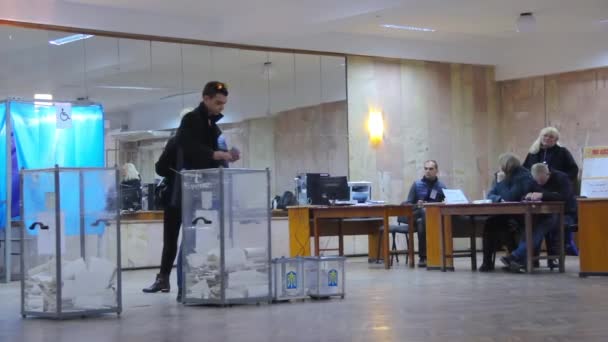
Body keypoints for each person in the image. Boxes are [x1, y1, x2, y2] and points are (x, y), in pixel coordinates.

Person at [142, 81, 239, 302]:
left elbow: (161, 168)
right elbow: (202, 153)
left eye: (223, 104)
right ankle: (181, 284)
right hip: (186, 194)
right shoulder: (194, 128)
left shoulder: (208, 127)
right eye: (217, 103)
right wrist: (218, 156)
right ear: (205, 99)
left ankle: (173, 281)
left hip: (186, 194)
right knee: (189, 240)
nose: (221, 108)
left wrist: (225, 155)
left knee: (176, 240)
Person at [523, 126, 579, 255]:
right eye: (545, 136)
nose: (547, 138)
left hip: (556, 192)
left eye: (551, 137)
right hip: (537, 192)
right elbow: (525, 171)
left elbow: (573, 170)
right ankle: (531, 256)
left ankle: (555, 252)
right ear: (540, 137)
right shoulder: (533, 153)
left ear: (556, 140)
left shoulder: (562, 152)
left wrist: (563, 182)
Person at [479, 153, 535, 272]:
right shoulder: (502, 175)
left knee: (507, 226)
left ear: (506, 165)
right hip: (505, 213)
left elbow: (510, 197)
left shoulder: (524, 176)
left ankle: (516, 260)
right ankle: (487, 262)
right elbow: (491, 194)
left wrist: (501, 182)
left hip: (522, 215)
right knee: (490, 223)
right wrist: (498, 198)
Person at [524, 163, 577, 269]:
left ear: (547, 174)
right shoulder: (534, 180)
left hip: (566, 213)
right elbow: (525, 193)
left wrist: (543, 195)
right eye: (537, 181)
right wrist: (527, 195)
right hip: (544, 213)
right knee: (533, 224)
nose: (539, 184)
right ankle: (533, 258)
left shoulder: (562, 178)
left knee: (548, 224)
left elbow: (564, 197)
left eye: (542, 181)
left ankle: (552, 258)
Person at [406, 160, 446, 267]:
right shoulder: (416, 184)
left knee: (421, 224)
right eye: (426, 168)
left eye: (431, 169)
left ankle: (424, 257)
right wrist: (417, 205)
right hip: (417, 214)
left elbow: (447, 203)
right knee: (422, 215)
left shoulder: (441, 187)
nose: (427, 171)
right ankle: (428, 255)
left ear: (436, 170)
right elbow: (407, 204)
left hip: (434, 218)